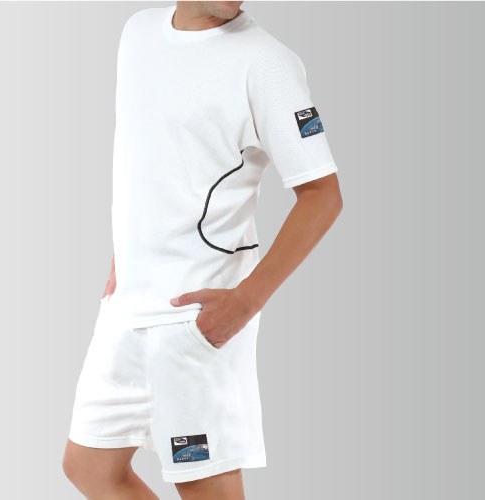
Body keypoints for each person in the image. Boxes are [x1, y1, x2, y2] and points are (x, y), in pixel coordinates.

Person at [62, 2, 343, 499]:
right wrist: (125, 250)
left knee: (203, 490)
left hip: (196, 322)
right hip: (126, 310)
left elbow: (322, 195)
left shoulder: (266, 62)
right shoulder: (138, 32)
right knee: (89, 467)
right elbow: (154, 155)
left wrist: (245, 302)